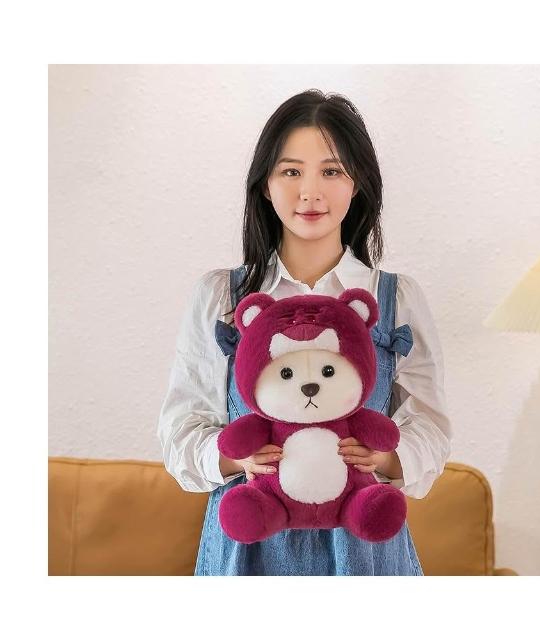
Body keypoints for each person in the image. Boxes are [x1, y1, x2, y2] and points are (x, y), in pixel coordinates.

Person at [157, 89, 452, 575]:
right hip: (249, 549)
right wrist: (237, 459)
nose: (310, 193)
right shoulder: (221, 296)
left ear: (357, 183)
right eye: (291, 172)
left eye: (331, 172)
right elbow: (180, 430)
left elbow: (431, 428)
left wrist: (385, 457)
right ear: (265, 185)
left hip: (365, 553)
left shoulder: (395, 298)